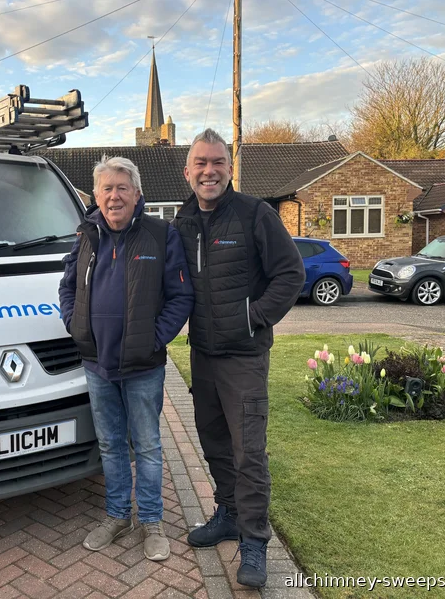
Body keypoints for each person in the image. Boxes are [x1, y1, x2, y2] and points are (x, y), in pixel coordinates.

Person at [172, 129, 305, 588]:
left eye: (217, 162)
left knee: (249, 451)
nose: (209, 171)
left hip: (244, 357)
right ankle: (228, 514)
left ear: (230, 169)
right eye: (201, 163)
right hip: (203, 354)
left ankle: (254, 541)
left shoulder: (255, 214)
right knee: (213, 441)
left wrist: (254, 318)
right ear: (187, 171)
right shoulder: (183, 222)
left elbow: (290, 274)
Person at [59, 155, 193, 562]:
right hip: (97, 363)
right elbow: (67, 286)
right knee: (111, 444)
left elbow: (181, 296)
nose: (114, 196)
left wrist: (153, 339)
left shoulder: (160, 235)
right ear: (96, 195)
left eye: (122, 188)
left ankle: (151, 521)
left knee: (147, 445)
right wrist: (75, 325)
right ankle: (118, 516)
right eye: (107, 189)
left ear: (137, 194)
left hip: (142, 366)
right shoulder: (86, 235)